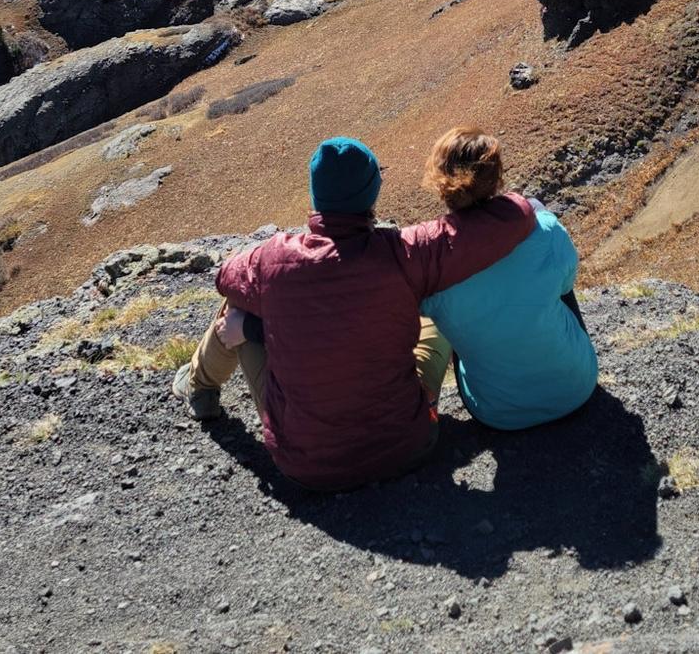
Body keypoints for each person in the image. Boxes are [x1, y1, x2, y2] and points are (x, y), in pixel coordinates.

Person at [173, 135, 537, 491]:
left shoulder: (272, 259)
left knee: (239, 302)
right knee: (433, 312)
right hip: (409, 446)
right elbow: (517, 212)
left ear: (317, 194)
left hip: (308, 466)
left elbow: (225, 277)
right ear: (372, 192)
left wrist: (257, 325)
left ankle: (200, 387)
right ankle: (208, 373)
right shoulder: (405, 252)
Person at [420, 127, 597, 430]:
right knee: (555, 284)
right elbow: (567, 284)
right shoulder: (545, 228)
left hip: (499, 413)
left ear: (441, 186)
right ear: (497, 177)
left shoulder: (433, 263)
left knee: (444, 314)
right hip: (578, 387)